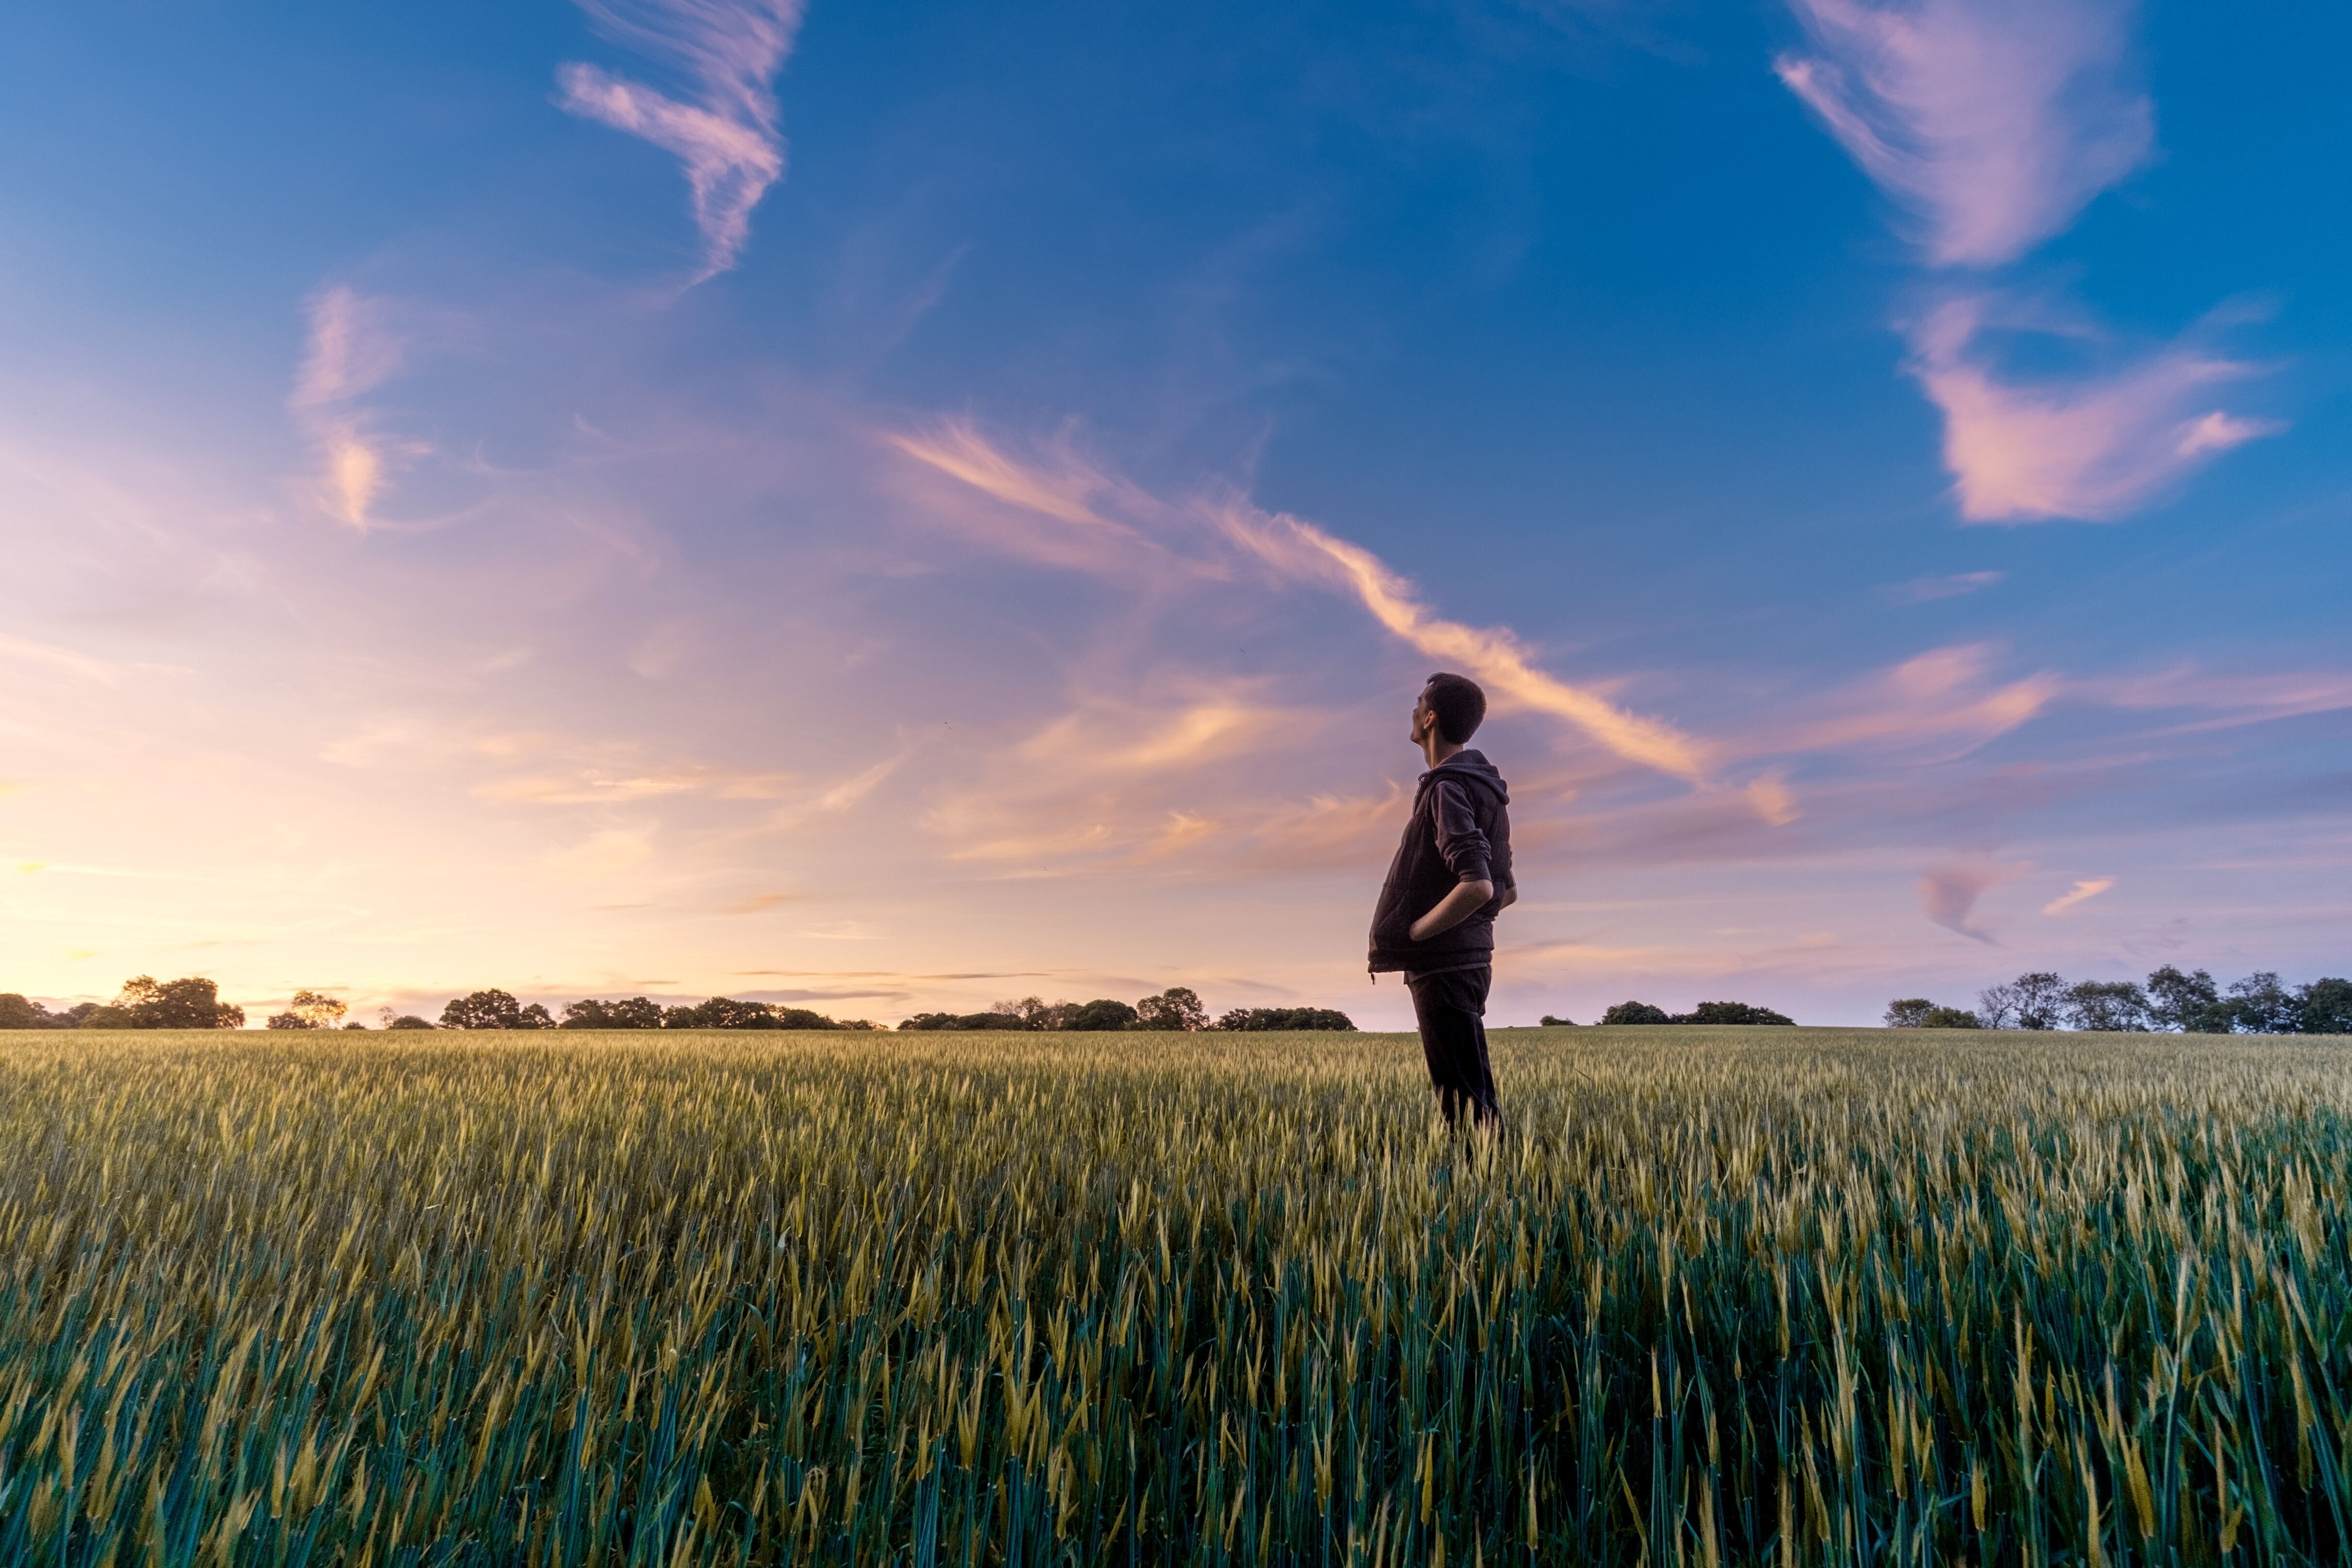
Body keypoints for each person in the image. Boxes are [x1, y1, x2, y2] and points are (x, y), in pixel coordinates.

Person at [1367, 673, 1515, 1129]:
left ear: (1430, 718)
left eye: (1417, 704)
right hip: (1470, 960)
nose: (1412, 712)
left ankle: (1484, 1193)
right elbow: (1507, 890)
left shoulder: (1447, 787)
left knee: (1461, 1103)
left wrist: (1415, 933)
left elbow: (1480, 886)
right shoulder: (1484, 788)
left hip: (1444, 964)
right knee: (1473, 1094)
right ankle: (1497, 1184)